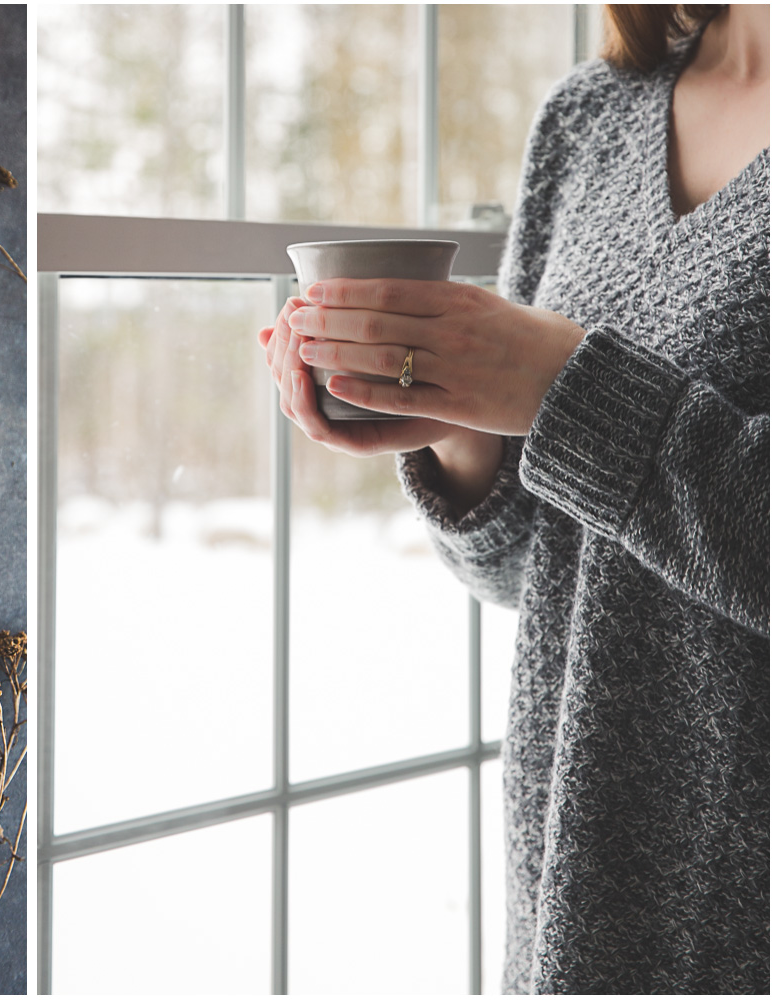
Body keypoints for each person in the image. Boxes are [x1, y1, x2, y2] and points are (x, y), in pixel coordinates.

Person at [260, 4, 768, 994]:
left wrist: (554, 385)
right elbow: (526, 569)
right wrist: (455, 424)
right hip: (575, 866)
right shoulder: (588, 118)